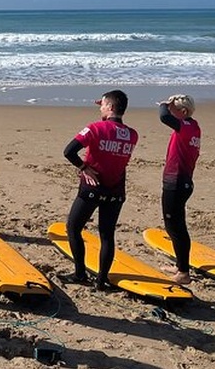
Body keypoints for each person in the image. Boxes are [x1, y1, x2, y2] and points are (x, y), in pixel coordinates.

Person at [61, 90, 138, 291]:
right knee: (106, 235)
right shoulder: (132, 134)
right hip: (116, 191)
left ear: (110, 108)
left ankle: (80, 274)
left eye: (102, 105)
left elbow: (69, 151)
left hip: (92, 188)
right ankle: (102, 280)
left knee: (73, 228)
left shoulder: (95, 128)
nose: (100, 108)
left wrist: (84, 167)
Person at [158, 94, 201, 285]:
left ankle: (183, 272)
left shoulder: (186, 126)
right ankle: (180, 265)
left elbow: (163, 117)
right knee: (177, 226)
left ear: (183, 112)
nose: (170, 111)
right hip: (182, 182)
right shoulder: (193, 126)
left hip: (176, 183)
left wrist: (164, 105)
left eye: (173, 108)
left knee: (175, 228)